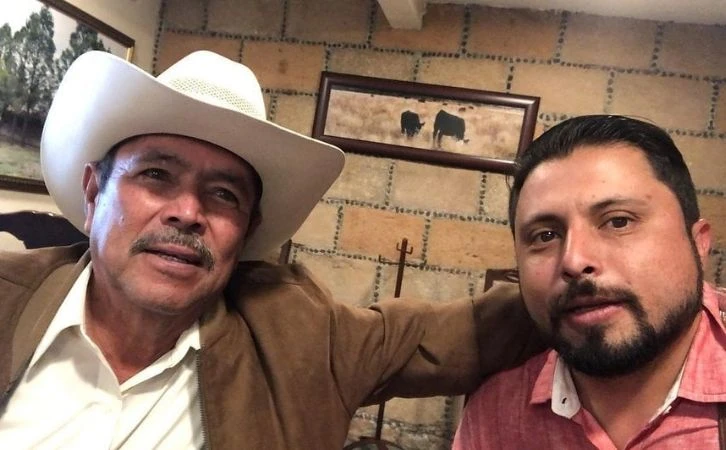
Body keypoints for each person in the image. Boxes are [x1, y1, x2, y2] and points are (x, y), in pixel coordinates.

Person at [0, 50, 543, 449]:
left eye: (223, 194)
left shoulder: (300, 339)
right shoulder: (9, 299)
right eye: (157, 175)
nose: (187, 212)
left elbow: (472, 332)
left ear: (248, 229)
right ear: (93, 193)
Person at [453, 115, 726, 449]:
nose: (574, 260)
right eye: (546, 235)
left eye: (618, 221)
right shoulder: (494, 415)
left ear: (698, 243)